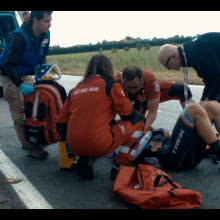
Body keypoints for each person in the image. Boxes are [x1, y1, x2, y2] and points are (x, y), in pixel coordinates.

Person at [56, 54, 146, 180]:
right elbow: (128, 114)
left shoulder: (75, 89)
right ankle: (120, 165)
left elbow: (60, 123)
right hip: (98, 144)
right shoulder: (111, 85)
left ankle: (86, 159)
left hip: (74, 146)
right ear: (109, 68)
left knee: (97, 126)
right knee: (140, 120)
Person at [0, 11, 53, 159]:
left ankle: (34, 137)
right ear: (35, 20)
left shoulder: (45, 34)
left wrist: (40, 65)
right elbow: (9, 65)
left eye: (50, 20)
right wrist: (20, 86)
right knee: (20, 111)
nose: (50, 24)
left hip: (26, 72)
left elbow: (42, 53)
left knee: (32, 108)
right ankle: (29, 145)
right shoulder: (18, 37)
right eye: (46, 21)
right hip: (10, 74)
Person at [134, 101, 220, 171]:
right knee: (193, 109)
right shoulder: (122, 137)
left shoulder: (136, 126)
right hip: (175, 159)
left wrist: (160, 134)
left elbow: (157, 131)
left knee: (211, 106)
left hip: (187, 152)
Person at [115, 67, 194, 132]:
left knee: (183, 90)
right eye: (128, 87)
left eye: (135, 87)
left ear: (142, 80)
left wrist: (140, 130)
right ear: (123, 81)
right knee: (135, 125)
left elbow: (152, 114)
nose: (132, 90)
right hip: (132, 102)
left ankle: (193, 123)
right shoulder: (116, 82)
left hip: (150, 95)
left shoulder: (151, 80)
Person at [158, 32, 220, 105]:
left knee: (214, 107)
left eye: (166, 65)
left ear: (173, 57)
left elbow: (218, 77)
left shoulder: (195, 53)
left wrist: (208, 100)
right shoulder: (189, 53)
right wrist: (202, 101)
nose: (168, 69)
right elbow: (209, 80)